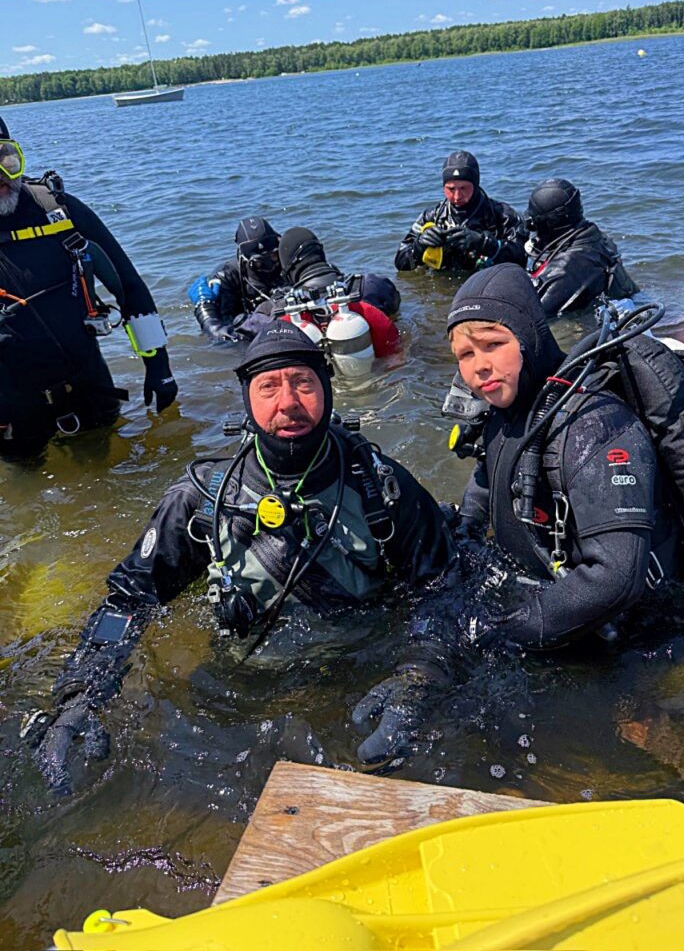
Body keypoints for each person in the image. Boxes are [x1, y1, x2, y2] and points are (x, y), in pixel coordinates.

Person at [25, 320, 457, 792]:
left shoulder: (381, 487)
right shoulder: (202, 500)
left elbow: (444, 586)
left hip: (367, 671)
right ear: (247, 400)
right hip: (245, 683)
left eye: (304, 383)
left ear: (327, 391)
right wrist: (82, 693)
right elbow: (129, 600)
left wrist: (419, 677)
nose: (288, 402)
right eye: (268, 386)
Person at [353, 263, 681, 764]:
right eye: (464, 354)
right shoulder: (507, 415)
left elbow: (617, 576)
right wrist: (454, 543)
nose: (478, 366)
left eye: (492, 344)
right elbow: (486, 488)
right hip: (543, 593)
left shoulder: (594, 425)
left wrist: (500, 632)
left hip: (639, 630)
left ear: (528, 337)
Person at [0, 116, 177, 458]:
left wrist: (159, 367)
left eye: (5, 160)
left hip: (86, 387)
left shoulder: (59, 210)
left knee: (110, 484)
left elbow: (129, 287)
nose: (0, 179)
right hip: (10, 408)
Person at [244, 226, 401, 359]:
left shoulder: (272, 310)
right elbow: (395, 305)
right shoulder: (371, 286)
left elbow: (244, 335)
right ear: (320, 252)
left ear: (287, 268)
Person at [394, 150, 527, 274]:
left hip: (487, 283)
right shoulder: (431, 217)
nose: (457, 196)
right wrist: (419, 246)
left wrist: (485, 244)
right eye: (451, 189)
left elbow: (522, 257)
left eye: (464, 188)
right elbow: (401, 265)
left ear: (476, 185)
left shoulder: (502, 215)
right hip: (444, 285)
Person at [524, 178, 639, 316]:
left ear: (547, 224)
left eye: (533, 225)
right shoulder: (592, 236)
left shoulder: (567, 267)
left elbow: (532, 314)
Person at [187, 215, 283, 344]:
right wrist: (205, 309)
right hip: (249, 324)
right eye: (260, 263)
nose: (270, 266)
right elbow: (215, 331)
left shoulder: (288, 259)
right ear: (245, 258)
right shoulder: (227, 276)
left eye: (274, 257)